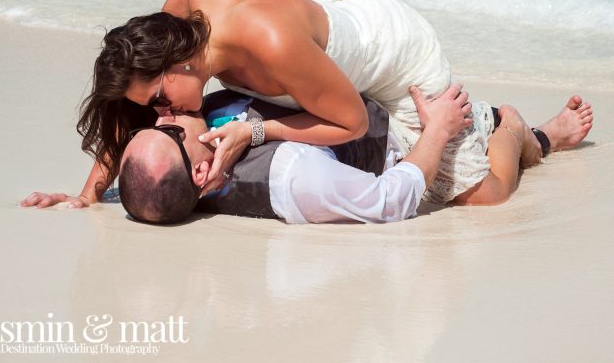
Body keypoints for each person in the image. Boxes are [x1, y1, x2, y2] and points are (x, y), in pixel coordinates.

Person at [20, 0, 594, 211]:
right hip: (319, 46)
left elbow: (346, 121)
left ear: (177, 62)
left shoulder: (266, 45)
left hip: (390, 52)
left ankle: (520, 128)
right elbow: (128, 111)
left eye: (160, 99)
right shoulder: (178, 15)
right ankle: (489, 126)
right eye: (157, 111)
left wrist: (257, 129)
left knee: (480, 199)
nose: (162, 113)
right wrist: (89, 195)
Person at [116, 85, 593, 225]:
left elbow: (141, 178)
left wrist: (89, 192)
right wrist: (438, 131)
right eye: (169, 131)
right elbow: (389, 199)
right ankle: (528, 134)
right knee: (491, 195)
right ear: (202, 172)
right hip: (400, 141)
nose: (162, 116)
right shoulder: (290, 178)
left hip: (369, 101)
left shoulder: (189, 146)